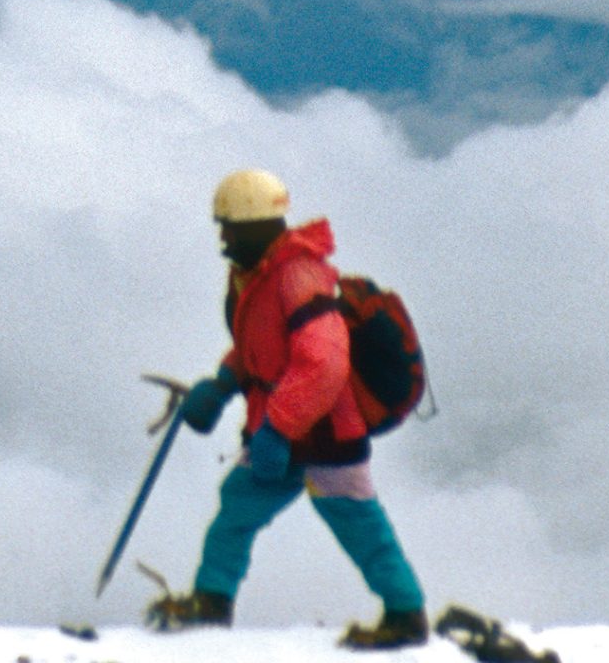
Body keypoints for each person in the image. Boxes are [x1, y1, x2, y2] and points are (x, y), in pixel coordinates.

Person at [148, 168, 429, 649]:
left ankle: (405, 614)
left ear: (252, 226)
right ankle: (211, 600)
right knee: (236, 507)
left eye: (228, 227)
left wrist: (277, 428)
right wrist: (220, 385)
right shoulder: (256, 277)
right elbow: (261, 349)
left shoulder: (298, 278)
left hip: (325, 435)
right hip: (279, 433)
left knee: (358, 523)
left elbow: (324, 364)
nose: (222, 237)